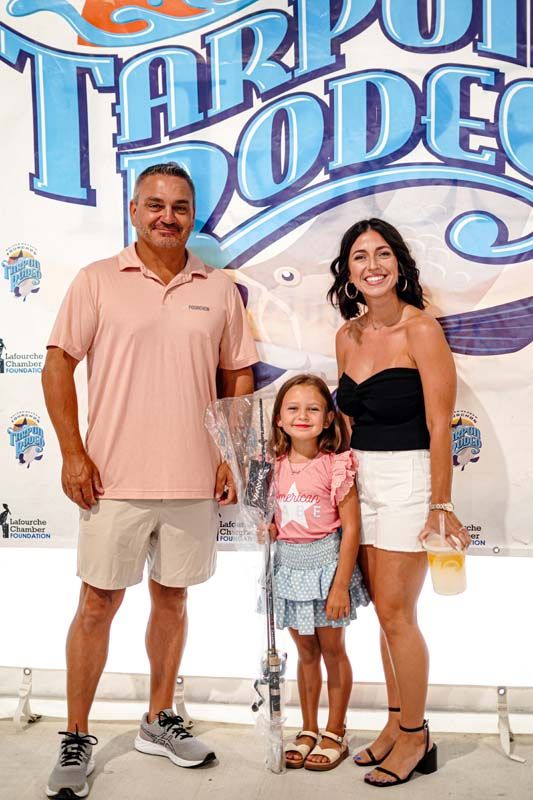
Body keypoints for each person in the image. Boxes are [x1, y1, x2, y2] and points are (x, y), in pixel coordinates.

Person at [41, 162, 258, 799]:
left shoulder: (218, 288)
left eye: (181, 207)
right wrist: (72, 453)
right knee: (96, 605)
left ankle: (159, 718)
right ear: (135, 211)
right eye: (156, 205)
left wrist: (230, 453)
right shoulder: (96, 281)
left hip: (192, 478)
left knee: (173, 599)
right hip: (111, 478)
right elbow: (58, 368)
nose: (168, 216)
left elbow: (238, 375)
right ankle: (75, 733)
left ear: (193, 215)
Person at [329, 218, 470, 787]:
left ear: (399, 263)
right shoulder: (347, 335)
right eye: (359, 257)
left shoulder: (422, 330)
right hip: (361, 482)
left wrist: (441, 502)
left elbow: (441, 426)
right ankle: (393, 723)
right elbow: (344, 422)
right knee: (382, 621)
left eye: (382, 253)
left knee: (397, 615)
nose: (372, 265)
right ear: (349, 272)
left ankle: (416, 735)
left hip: (410, 483)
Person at [267, 374, 369, 771]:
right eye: (292, 408)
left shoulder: (336, 465)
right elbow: (274, 519)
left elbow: (352, 527)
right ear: (279, 419)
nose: (302, 416)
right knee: (305, 651)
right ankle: (308, 727)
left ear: (328, 418)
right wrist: (269, 527)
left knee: (331, 650)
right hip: (290, 570)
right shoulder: (271, 467)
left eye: (313, 408)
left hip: (327, 568)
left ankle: (335, 730)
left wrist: (341, 583)